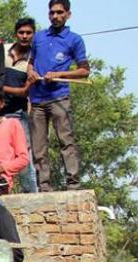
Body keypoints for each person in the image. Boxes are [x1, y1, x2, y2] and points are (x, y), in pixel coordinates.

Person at [28, 0, 89, 191]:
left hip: (59, 97)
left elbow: (84, 71)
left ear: (68, 14)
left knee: (66, 141)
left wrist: (59, 75)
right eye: (52, 12)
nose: (55, 16)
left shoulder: (74, 39)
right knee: (38, 146)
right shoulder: (38, 37)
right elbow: (31, 62)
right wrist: (30, 71)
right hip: (37, 99)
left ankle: (73, 183)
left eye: (59, 12)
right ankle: (44, 186)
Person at [2, 17, 38, 193]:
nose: (24, 36)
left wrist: (1, 87)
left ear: (33, 34)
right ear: (16, 34)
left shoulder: (34, 59)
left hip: (18, 113)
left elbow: (25, 92)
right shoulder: (3, 51)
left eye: (28, 33)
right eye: (21, 32)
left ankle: (31, 195)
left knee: (23, 157)